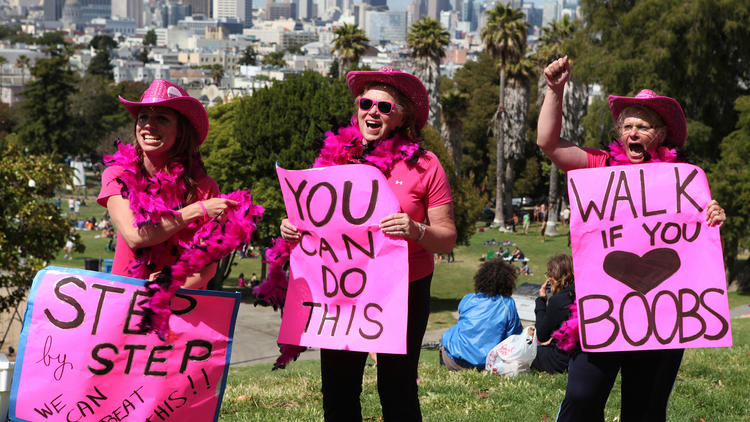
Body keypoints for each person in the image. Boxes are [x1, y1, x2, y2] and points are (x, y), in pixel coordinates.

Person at [537, 56, 726, 422]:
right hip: (604, 308)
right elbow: (549, 143)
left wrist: (713, 215)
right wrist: (554, 90)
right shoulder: (598, 166)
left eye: (644, 126)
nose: (633, 133)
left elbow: (698, 234)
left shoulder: (683, 180)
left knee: (645, 409)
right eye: (628, 126)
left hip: (662, 313)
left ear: (663, 135)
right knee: (581, 394)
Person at [279, 67, 457, 421]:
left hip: (403, 291)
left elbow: (447, 236)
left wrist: (416, 230)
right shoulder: (331, 161)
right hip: (344, 291)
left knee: (397, 388)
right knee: (339, 390)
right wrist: (292, 228)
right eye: (366, 103)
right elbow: (314, 223)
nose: (372, 111)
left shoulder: (425, 165)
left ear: (402, 115)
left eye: (384, 107)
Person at [97, 79, 237, 289]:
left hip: (182, 308)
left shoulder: (206, 188)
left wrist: (171, 287)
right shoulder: (117, 175)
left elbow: (208, 264)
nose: (149, 125)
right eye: (143, 117)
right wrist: (196, 210)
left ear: (181, 130)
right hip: (124, 304)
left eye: (161, 118)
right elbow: (135, 236)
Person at [440, 258, 523, 371]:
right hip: (486, 365)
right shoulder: (508, 304)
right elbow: (514, 337)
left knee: (451, 333)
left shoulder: (468, 299)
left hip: (453, 359)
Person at [531, 254, 574, 374]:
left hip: (560, 361)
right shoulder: (583, 296)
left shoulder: (558, 301)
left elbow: (542, 335)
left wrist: (541, 301)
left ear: (555, 276)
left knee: (527, 352)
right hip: (579, 358)